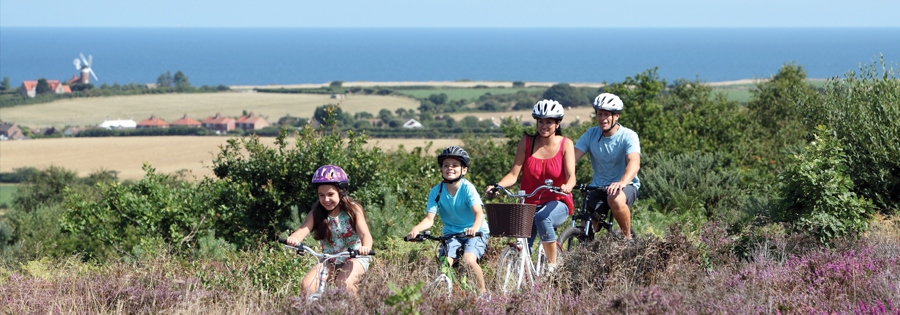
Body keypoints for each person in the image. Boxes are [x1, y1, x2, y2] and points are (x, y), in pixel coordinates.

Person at [485, 99, 575, 272]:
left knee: (542, 218)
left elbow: (572, 177)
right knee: (523, 245)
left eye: (549, 121)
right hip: (529, 204)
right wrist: (497, 186)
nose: (544, 125)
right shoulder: (526, 143)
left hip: (557, 201)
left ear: (558, 123)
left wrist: (567, 186)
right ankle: (525, 280)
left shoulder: (566, 144)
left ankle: (552, 265)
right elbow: (513, 175)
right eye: (540, 121)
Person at [406, 146, 490, 295]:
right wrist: (417, 229)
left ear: (464, 170)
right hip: (452, 233)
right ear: (442, 169)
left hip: (476, 232)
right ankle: (447, 293)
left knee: (469, 259)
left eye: (455, 165)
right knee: (444, 263)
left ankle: (484, 294)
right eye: (446, 165)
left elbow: (479, 214)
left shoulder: (468, 188)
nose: (449, 168)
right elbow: (429, 219)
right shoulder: (436, 191)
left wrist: (475, 229)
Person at [286, 165, 374, 296]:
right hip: (329, 260)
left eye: (330, 194)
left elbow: (365, 234)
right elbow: (301, 231)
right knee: (307, 285)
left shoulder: (353, 210)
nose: (326, 199)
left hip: (355, 257)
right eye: (321, 195)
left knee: (344, 283)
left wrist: (365, 247)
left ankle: (358, 311)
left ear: (342, 192)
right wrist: (294, 238)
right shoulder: (316, 213)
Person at [573, 93, 640, 240]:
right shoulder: (591, 134)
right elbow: (571, 158)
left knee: (614, 199)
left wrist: (622, 182)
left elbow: (634, 163)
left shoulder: (629, 136)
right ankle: (587, 256)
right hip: (599, 186)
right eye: (599, 114)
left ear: (616, 116)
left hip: (626, 185)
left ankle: (627, 239)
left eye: (606, 114)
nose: (602, 118)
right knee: (586, 228)